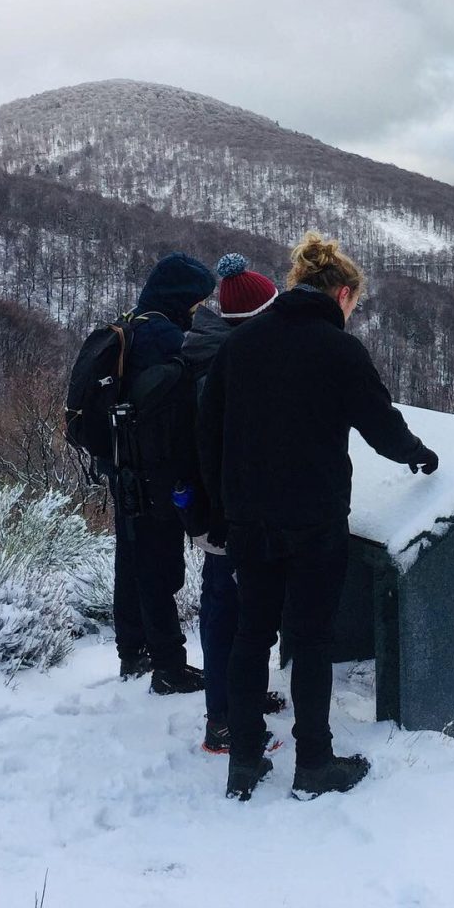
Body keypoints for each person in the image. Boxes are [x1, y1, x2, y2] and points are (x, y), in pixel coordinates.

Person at [199, 232, 439, 801]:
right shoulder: (339, 350)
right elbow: (380, 426)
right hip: (314, 517)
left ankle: (246, 763)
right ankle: (314, 763)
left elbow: (208, 435)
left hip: (249, 519)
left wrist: (225, 507)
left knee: (251, 636)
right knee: (311, 640)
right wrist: (420, 455)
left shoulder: (242, 343)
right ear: (344, 294)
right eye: (354, 304)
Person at [181, 253, 287, 753]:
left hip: (212, 505)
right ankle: (222, 718)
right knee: (228, 606)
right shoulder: (226, 363)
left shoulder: (204, 343)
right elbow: (223, 447)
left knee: (237, 604)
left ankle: (237, 699)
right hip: (224, 511)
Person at [112, 251, 215, 694]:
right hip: (156, 473)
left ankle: (133, 650)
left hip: (124, 469)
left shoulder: (133, 324)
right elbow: (183, 413)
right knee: (159, 567)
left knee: (132, 559)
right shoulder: (167, 339)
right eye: (195, 302)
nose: (197, 311)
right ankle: (170, 666)